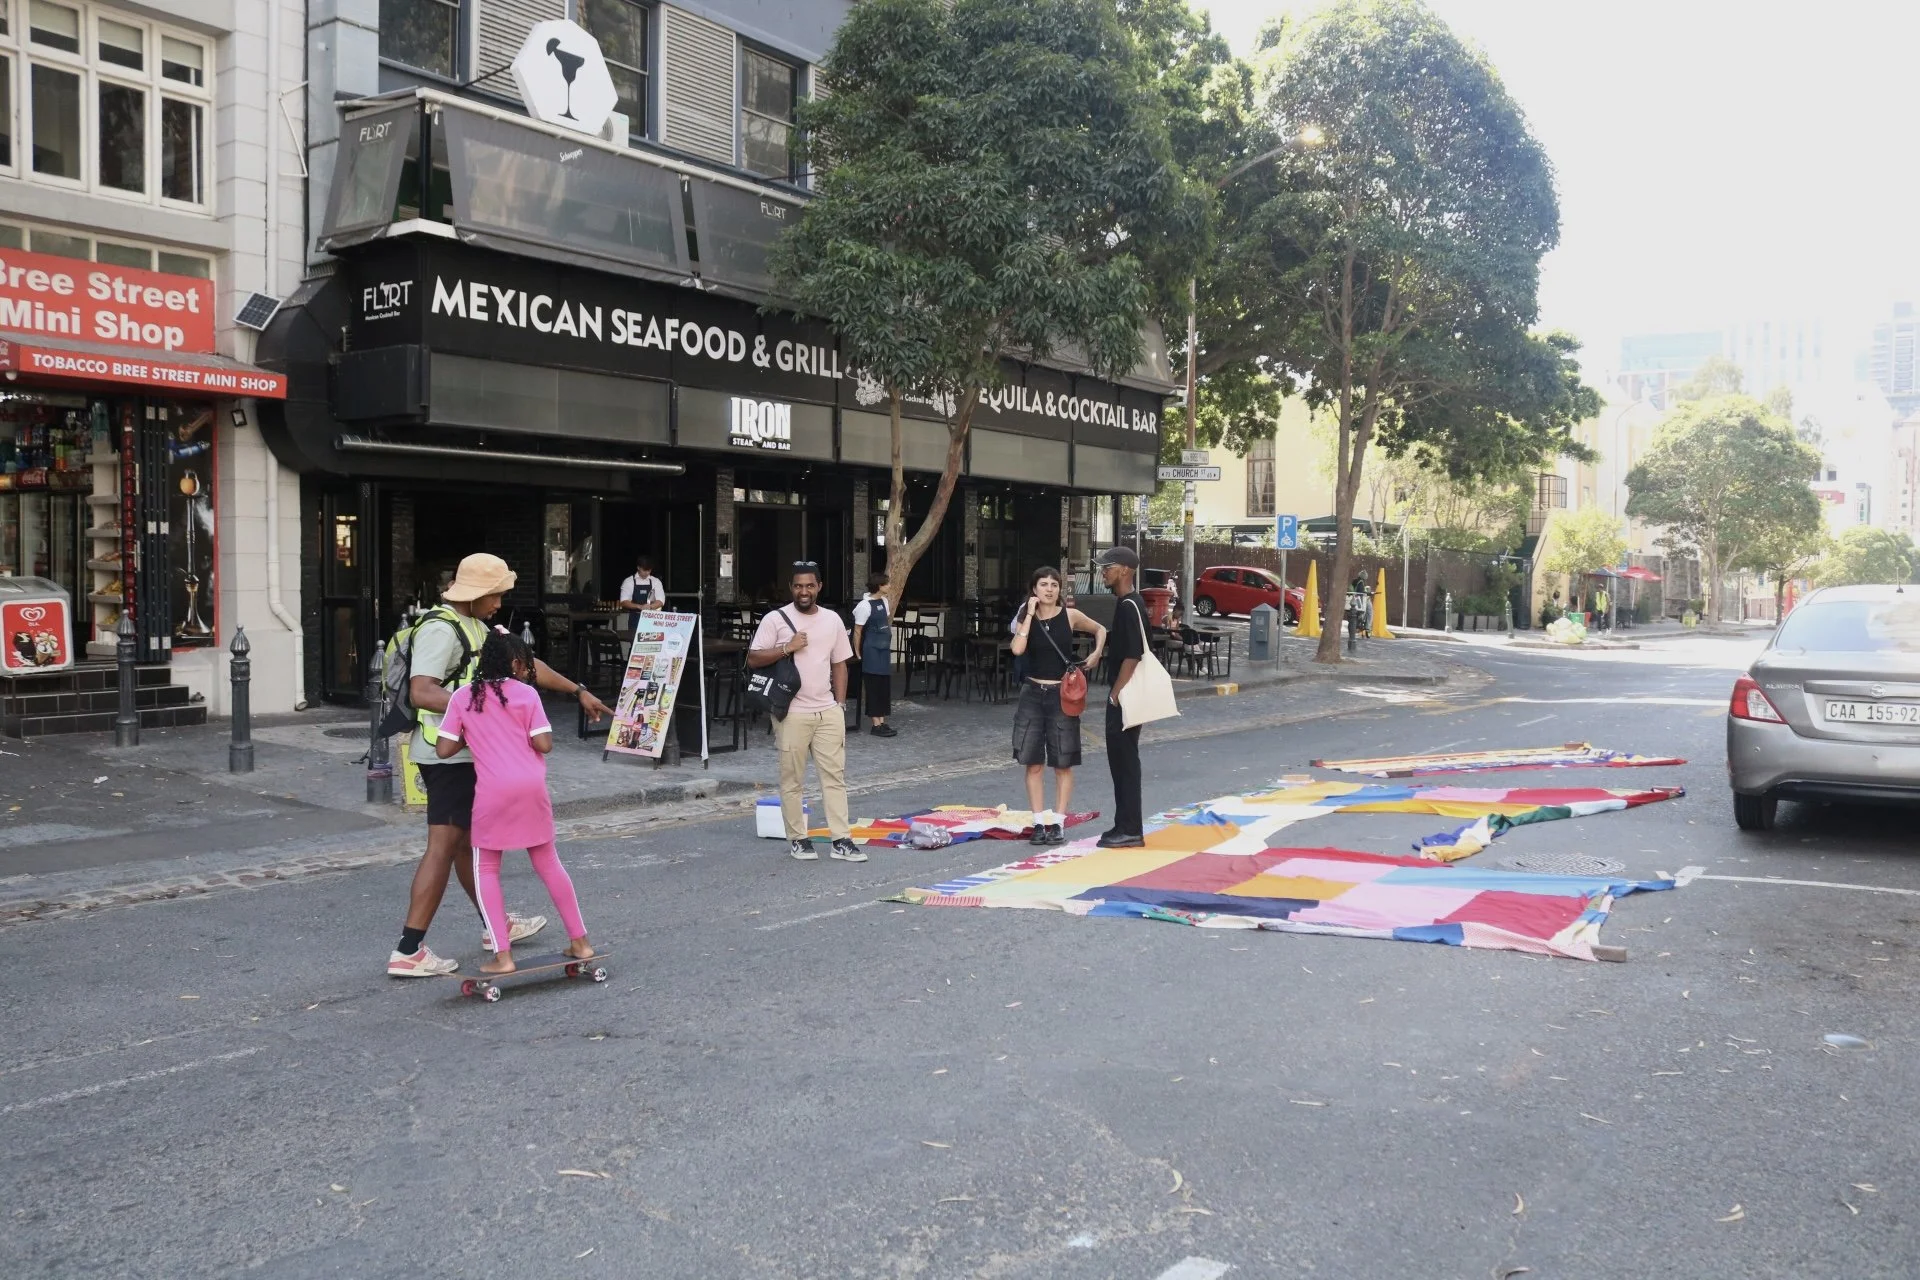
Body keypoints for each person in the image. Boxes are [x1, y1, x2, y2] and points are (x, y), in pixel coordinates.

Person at [388, 553, 613, 977]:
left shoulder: (478, 625)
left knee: (469, 849)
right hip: (448, 758)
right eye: (496, 595)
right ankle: (409, 948)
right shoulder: (440, 629)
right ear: (474, 594)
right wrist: (484, 710)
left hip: (475, 758)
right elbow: (422, 691)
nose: (500, 603)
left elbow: (525, 667)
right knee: (444, 846)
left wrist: (577, 689)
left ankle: (497, 928)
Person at [435, 631, 594, 975]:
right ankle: (580, 941)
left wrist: (474, 736)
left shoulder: (464, 697)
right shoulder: (527, 694)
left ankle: (503, 957)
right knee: (549, 863)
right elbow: (544, 744)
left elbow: (443, 749)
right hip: (531, 788)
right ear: (517, 664)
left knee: (487, 870)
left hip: (493, 793)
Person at [747, 561, 865, 863]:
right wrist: (787, 648)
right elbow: (754, 659)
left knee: (834, 778)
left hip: (827, 711)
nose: (804, 591)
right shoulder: (775, 619)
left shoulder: (833, 620)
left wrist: (839, 704)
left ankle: (841, 839)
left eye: (809, 585)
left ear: (819, 587)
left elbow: (840, 663)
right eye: (798, 586)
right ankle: (799, 839)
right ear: (791, 588)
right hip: (792, 713)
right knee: (792, 779)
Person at [1009, 566, 1105, 845]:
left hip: (1061, 695)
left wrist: (1097, 652)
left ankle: (1059, 823)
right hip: (1031, 694)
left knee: (1063, 762)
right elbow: (1017, 649)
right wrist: (1029, 612)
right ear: (1034, 589)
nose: (1049, 589)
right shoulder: (1026, 617)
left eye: (1054, 584)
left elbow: (1099, 629)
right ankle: (1038, 822)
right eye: (1043, 584)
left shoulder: (1071, 616)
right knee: (1033, 763)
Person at [1096, 545, 1149, 848]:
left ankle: (1130, 828)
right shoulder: (1129, 602)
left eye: (1109, 566)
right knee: (1123, 761)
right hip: (1128, 695)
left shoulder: (1129, 605)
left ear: (1125, 570)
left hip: (1125, 696)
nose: (1104, 571)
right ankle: (1125, 824)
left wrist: (1115, 694)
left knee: (1124, 761)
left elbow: (1133, 655)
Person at [851, 571, 896, 738]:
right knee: (874, 685)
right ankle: (875, 724)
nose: (889, 586)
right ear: (879, 586)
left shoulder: (884, 601)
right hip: (871, 650)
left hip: (883, 649)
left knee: (884, 685)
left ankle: (882, 721)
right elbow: (858, 630)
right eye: (887, 584)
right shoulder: (864, 606)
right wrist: (857, 651)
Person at [617, 555, 666, 631]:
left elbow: (661, 601)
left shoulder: (656, 581)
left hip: (652, 619)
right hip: (635, 619)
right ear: (638, 567)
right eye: (644, 570)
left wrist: (650, 607)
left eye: (649, 570)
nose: (647, 573)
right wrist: (639, 607)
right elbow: (624, 602)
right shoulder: (629, 581)